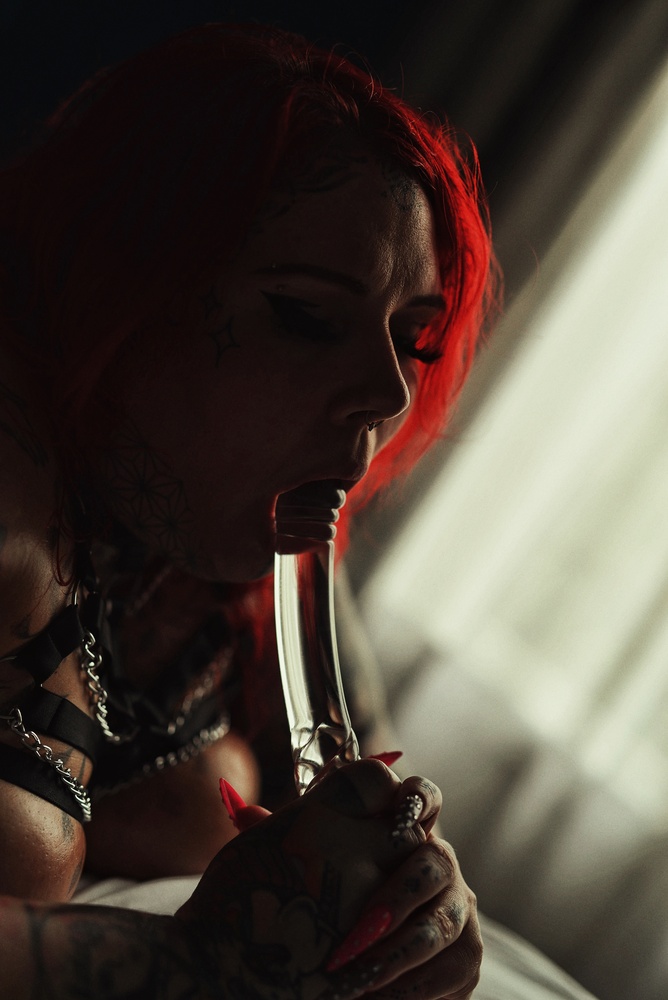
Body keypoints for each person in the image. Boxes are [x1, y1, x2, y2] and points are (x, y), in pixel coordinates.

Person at [0, 22, 498, 999]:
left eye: (414, 340)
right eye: (305, 314)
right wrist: (197, 967)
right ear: (116, 273)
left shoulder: (254, 559)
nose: (387, 393)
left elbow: (366, 819)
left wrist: (419, 897)